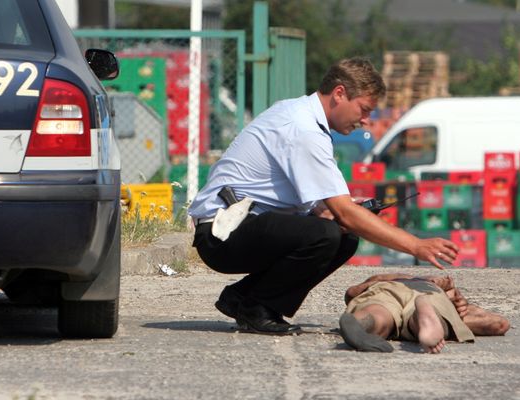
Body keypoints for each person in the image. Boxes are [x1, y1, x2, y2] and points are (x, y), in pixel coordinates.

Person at [188, 57, 459, 335]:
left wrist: (332, 213)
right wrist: (416, 246)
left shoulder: (301, 115)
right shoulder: (303, 129)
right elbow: (344, 211)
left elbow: (325, 206)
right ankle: (257, 307)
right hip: (221, 234)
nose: (366, 121)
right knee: (326, 234)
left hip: (241, 225)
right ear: (339, 93)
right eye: (364, 110)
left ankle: (243, 297)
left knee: (342, 235)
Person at [340, 273, 510, 354]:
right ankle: (427, 317)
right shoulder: (438, 286)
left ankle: (360, 323)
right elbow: (499, 324)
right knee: (436, 314)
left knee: (377, 313)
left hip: (386, 290)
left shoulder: (384, 279)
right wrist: (459, 309)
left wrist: (460, 304)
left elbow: (351, 293)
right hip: (429, 294)